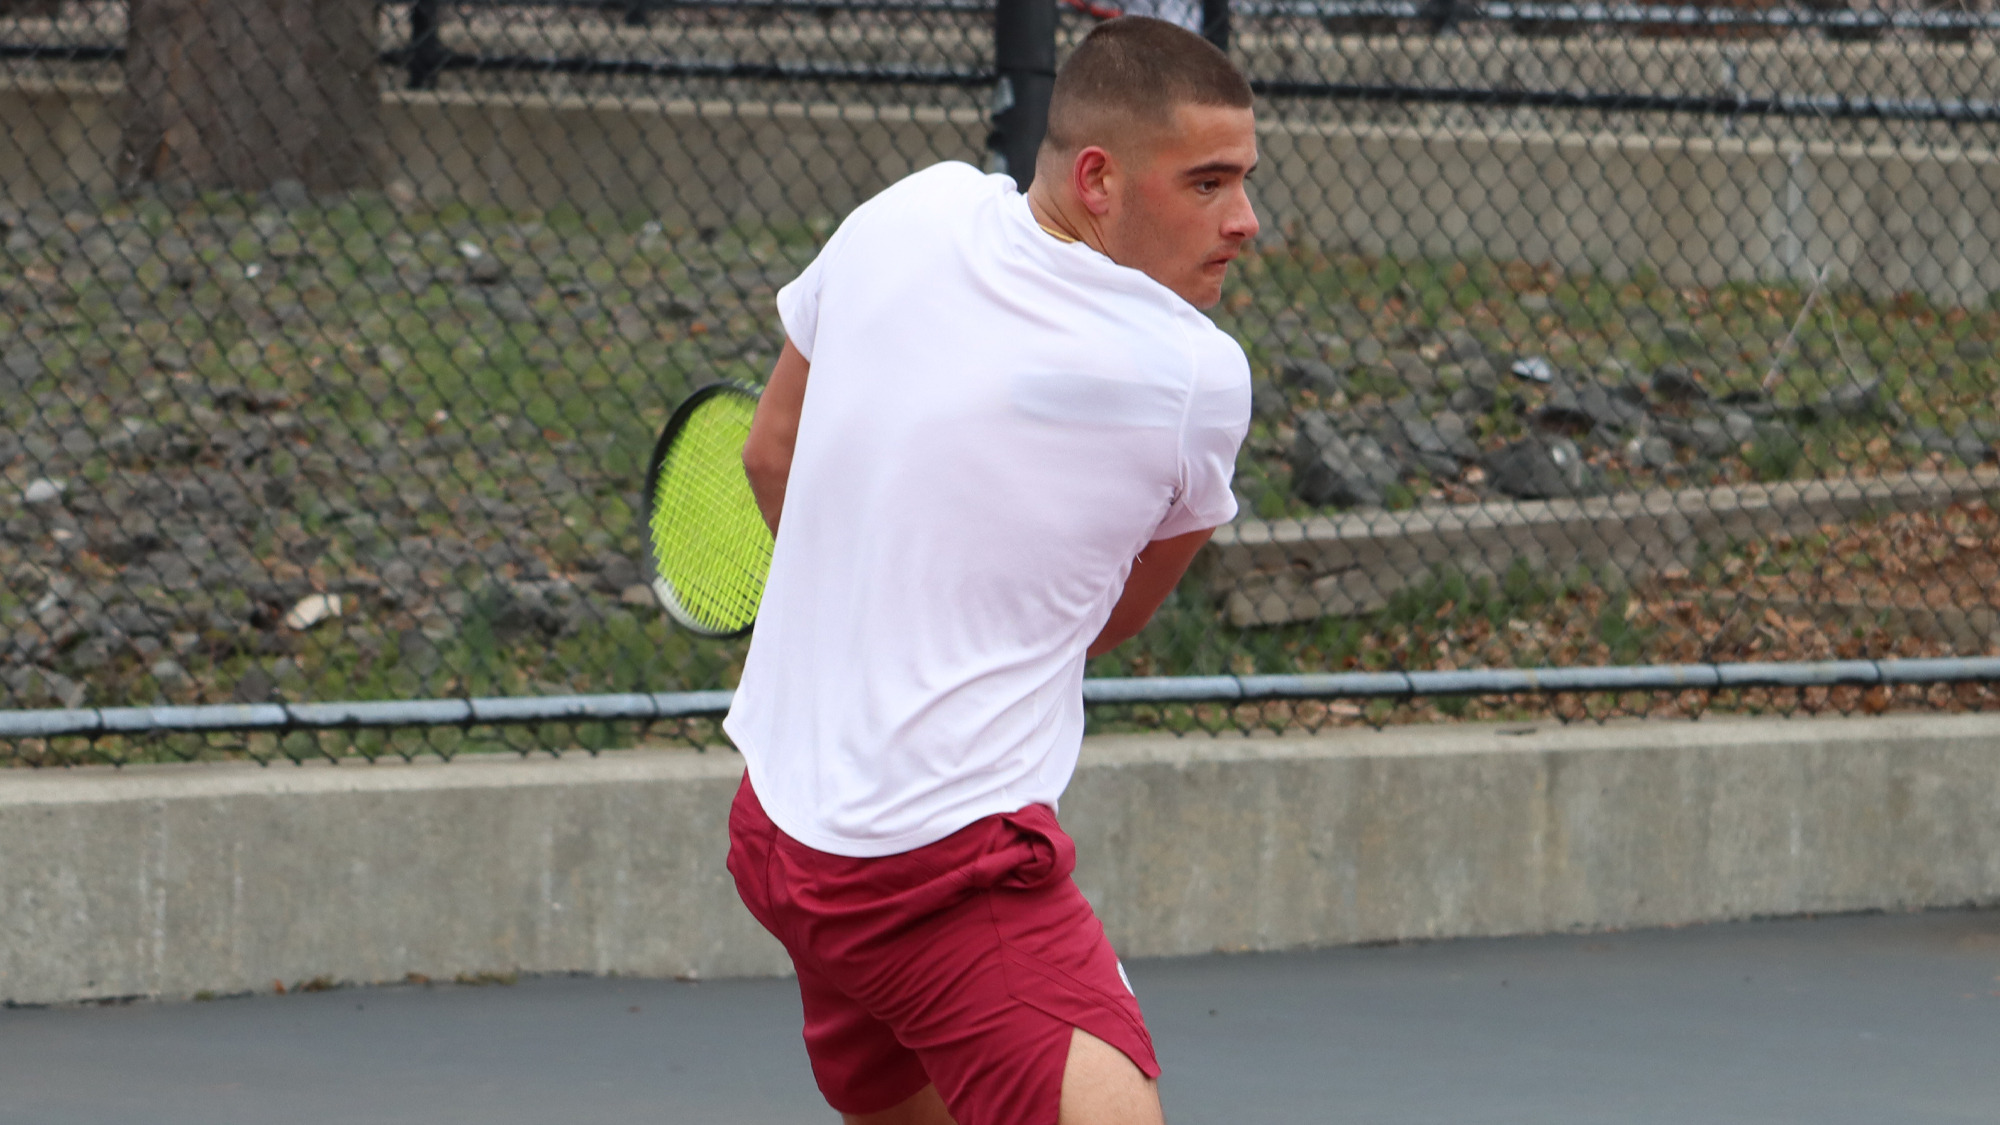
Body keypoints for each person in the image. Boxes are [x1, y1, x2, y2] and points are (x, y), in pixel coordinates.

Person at [724, 17, 1258, 1125]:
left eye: (1244, 180)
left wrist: (876, 605)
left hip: (777, 831)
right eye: (1206, 184)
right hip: (941, 876)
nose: (1243, 221)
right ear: (1101, 180)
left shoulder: (906, 211)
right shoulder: (1192, 378)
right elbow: (1103, 619)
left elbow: (768, 455)